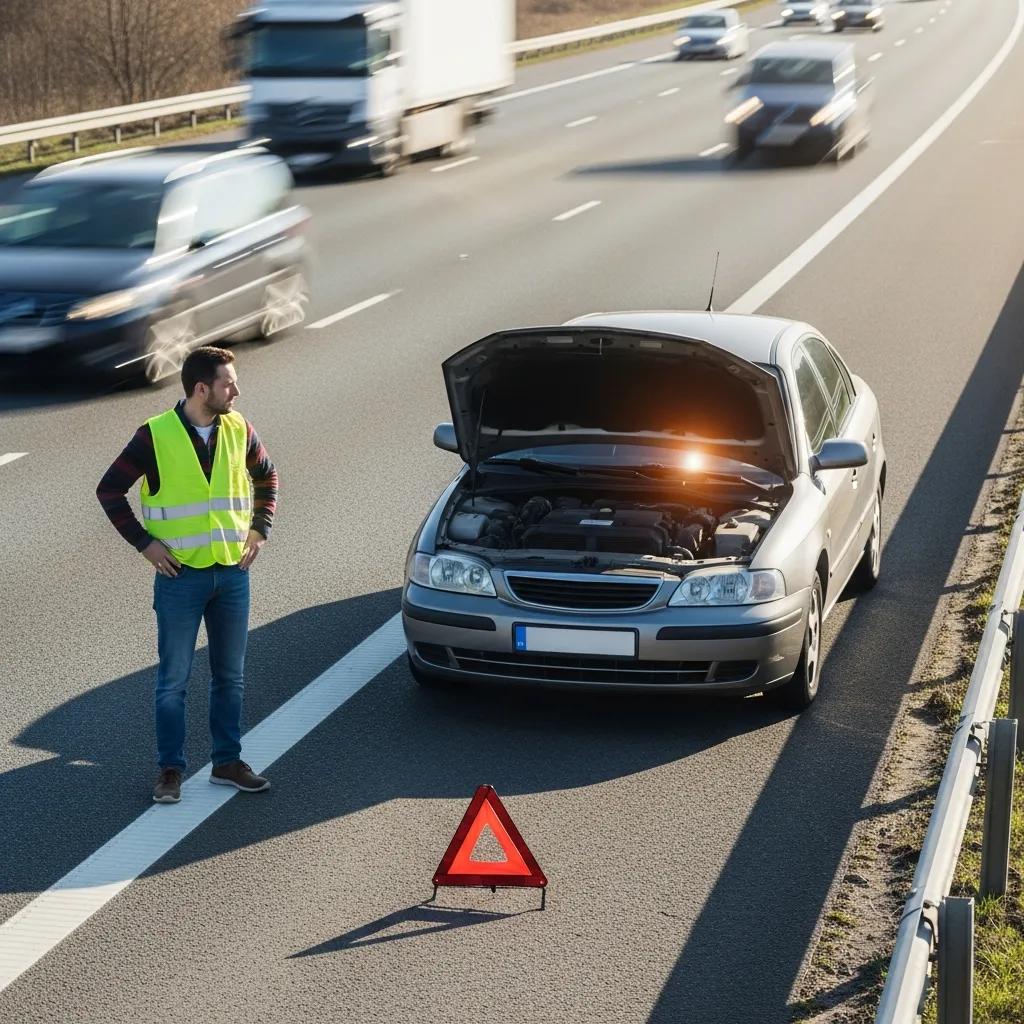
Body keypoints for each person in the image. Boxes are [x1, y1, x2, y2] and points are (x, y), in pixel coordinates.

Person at [97, 346, 278, 804]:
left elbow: (267, 477)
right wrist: (145, 543)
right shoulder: (155, 435)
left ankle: (226, 762)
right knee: (173, 681)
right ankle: (170, 770)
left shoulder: (238, 428)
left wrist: (259, 529)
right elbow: (109, 490)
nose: (235, 390)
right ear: (202, 388)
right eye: (227, 383)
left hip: (232, 573)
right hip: (180, 578)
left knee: (230, 676)